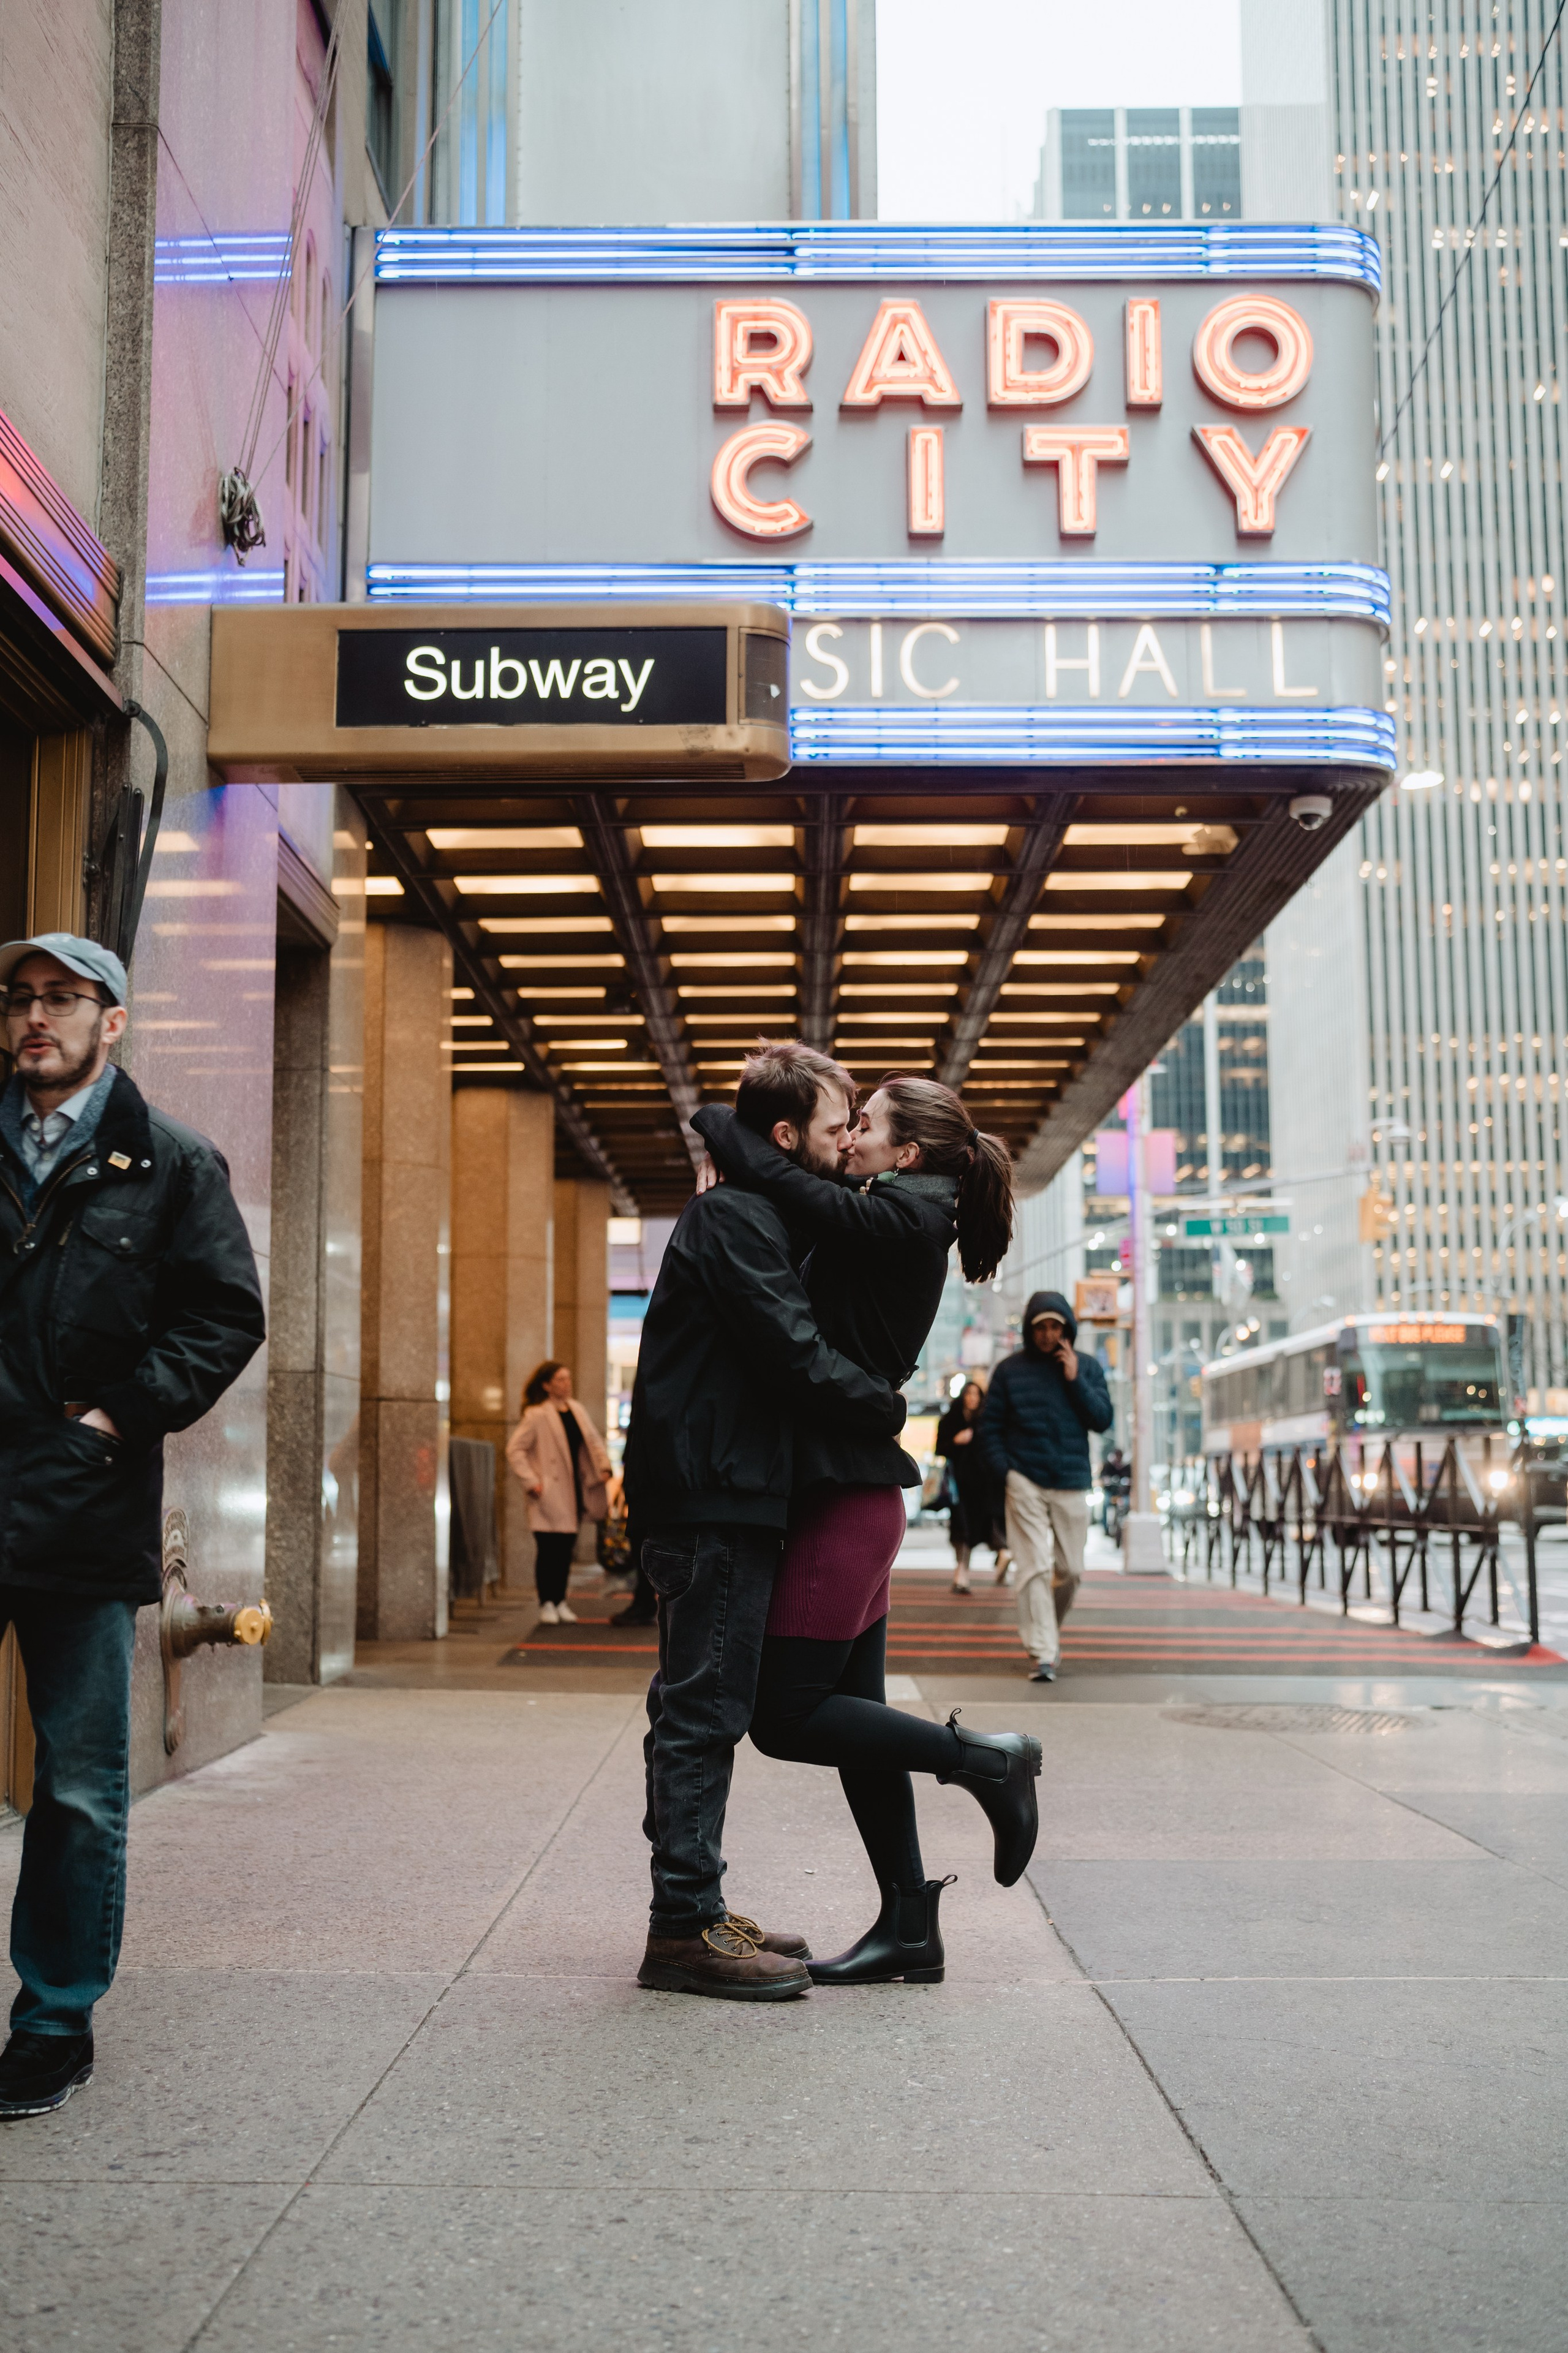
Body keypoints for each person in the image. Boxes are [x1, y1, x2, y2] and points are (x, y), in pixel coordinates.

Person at [693, 1074, 1042, 1989]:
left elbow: (777, 1175)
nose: (848, 1138)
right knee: (858, 1729)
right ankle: (909, 1930)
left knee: (785, 1717)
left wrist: (721, 1118)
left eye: (867, 1126)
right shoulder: (895, 1215)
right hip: (854, 1495)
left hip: (844, 1498)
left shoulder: (906, 1221)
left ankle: (986, 1762)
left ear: (908, 1155)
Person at [0, 932, 265, 2118]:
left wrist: (115, 1417)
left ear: (114, 1021)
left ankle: (54, 2018)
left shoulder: (168, 1161)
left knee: (79, 1785)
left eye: (63, 999)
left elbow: (223, 1317)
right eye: (21, 999)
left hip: (83, 1505)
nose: (36, 1018)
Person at [624, 1041, 909, 2003]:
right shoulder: (738, 1219)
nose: (845, 1146)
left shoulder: (747, 1209)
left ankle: (698, 1910)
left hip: (721, 1489)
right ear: (788, 1137)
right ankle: (682, 1930)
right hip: (715, 1497)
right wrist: (884, 1404)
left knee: (697, 1709)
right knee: (704, 1713)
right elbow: (792, 1351)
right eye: (837, 1129)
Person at [979, 1291, 1113, 1684]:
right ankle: (1043, 1653)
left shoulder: (1086, 1367)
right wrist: (1006, 1473)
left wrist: (1075, 1380)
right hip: (1024, 1479)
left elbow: (1102, 1419)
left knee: (1071, 1570)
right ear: (1030, 1329)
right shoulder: (1009, 1370)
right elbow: (991, 1428)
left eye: (1056, 1326)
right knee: (1034, 1567)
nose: (1049, 1334)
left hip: (1071, 1481)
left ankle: (1045, 1631)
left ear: (1067, 1328)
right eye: (1041, 1327)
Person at [505, 1360, 616, 1625]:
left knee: (566, 1548)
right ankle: (547, 1602)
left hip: (574, 1489)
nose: (566, 1384)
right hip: (549, 1491)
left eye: (568, 1379)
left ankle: (561, 1600)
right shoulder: (537, 1414)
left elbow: (593, 1442)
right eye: (560, 1380)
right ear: (547, 1385)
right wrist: (532, 1481)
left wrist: (604, 1467)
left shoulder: (577, 1409)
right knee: (548, 1548)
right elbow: (515, 1449)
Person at [936, 1377, 1007, 1593]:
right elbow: (940, 1449)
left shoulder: (988, 1422)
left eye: (977, 1394)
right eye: (969, 1394)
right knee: (962, 1529)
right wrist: (956, 1441)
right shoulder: (950, 1420)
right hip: (959, 1488)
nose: (972, 1398)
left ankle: (1003, 1553)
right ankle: (962, 1574)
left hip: (986, 1486)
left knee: (991, 1524)